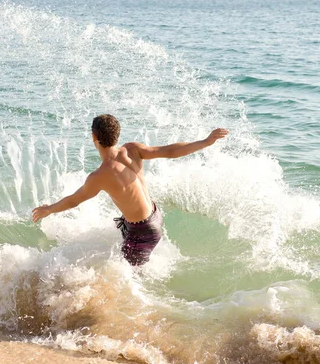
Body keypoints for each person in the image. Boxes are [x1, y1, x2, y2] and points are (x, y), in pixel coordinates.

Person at [32, 114, 228, 266]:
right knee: (130, 264)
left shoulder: (99, 176)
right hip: (154, 215)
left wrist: (49, 209)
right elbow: (170, 151)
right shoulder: (132, 149)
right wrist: (205, 141)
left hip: (142, 231)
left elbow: (74, 200)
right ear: (117, 135)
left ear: (94, 138)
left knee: (129, 279)